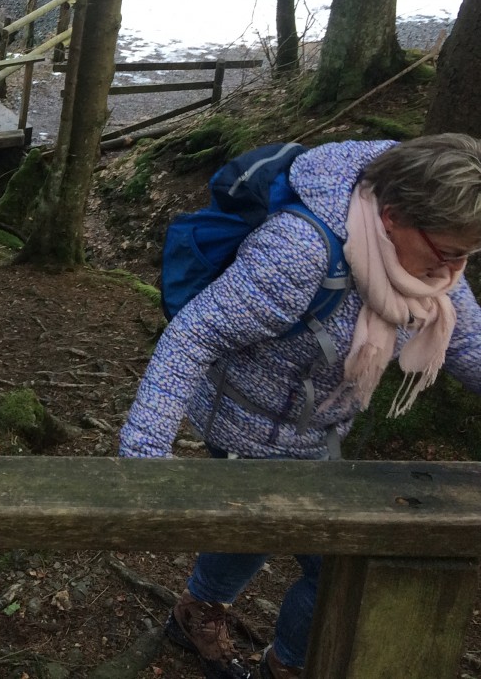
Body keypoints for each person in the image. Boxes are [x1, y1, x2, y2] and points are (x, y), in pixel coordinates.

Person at [120, 133, 481, 679]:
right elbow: (195, 334)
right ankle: (278, 661)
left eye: (467, 255)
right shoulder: (301, 250)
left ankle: (205, 615)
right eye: (450, 252)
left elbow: (469, 345)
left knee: (256, 536)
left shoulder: (430, 263)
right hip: (246, 425)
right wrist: (144, 461)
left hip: (319, 431)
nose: (454, 270)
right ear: (392, 218)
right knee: (328, 561)